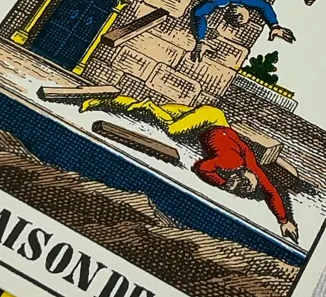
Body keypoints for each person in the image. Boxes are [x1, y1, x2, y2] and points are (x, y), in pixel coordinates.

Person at [80, 96, 300, 243]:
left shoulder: (251, 166)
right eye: (250, 186)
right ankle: (148, 106)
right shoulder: (228, 163)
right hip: (207, 121)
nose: (256, 182)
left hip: (214, 117)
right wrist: (222, 183)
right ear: (240, 175)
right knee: (172, 128)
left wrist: (284, 221)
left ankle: (98, 101)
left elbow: (270, 191)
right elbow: (200, 167)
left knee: (158, 111)